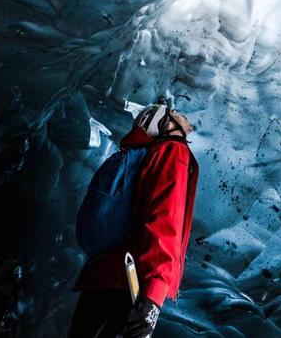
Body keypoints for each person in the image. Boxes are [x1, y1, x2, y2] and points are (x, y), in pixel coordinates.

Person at [69, 104, 198, 338]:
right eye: (173, 112)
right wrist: (154, 297)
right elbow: (164, 219)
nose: (182, 113)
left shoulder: (139, 157)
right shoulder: (173, 150)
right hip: (131, 285)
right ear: (165, 124)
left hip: (101, 279)